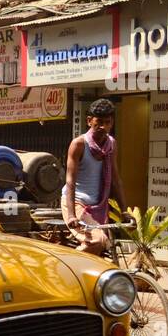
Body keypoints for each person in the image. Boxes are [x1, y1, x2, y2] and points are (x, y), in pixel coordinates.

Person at [62, 98, 126, 256]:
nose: (104, 127)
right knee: (97, 241)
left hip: (99, 206)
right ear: (89, 121)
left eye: (108, 122)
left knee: (109, 248)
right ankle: (68, 265)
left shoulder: (111, 144)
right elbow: (70, 180)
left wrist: (125, 211)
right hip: (77, 203)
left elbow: (116, 179)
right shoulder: (79, 144)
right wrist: (71, 214)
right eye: (99, 122)